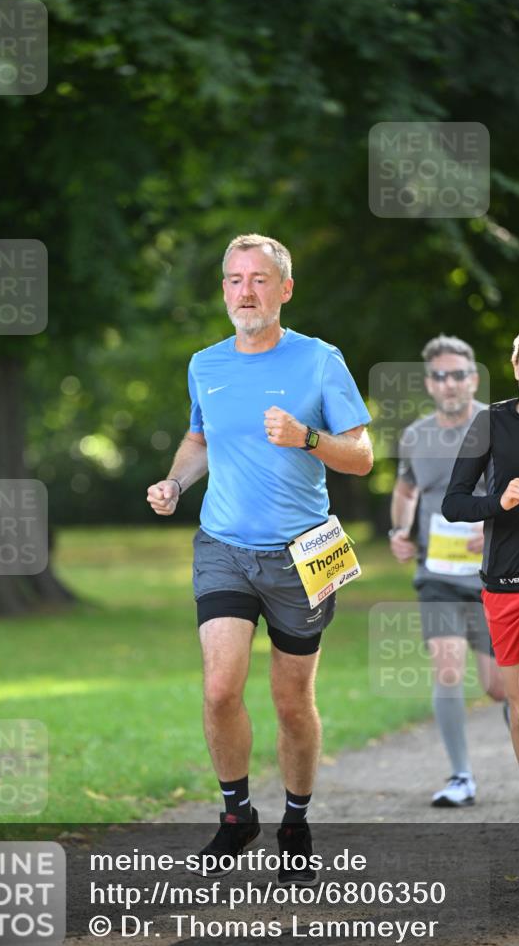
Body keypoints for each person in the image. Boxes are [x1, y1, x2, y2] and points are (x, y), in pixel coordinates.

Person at [146, 233, 372, 885]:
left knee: (292, 701)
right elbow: (199, 439)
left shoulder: (320, 360)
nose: (245, 292)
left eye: (259, 279)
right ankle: (236, 813)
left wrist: (306, 437)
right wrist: (175, 483)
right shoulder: (205, 364)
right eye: (235, 279)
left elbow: (361, 456)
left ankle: (295, 818)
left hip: (305, 554)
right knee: (220, 689)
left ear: (284, 289)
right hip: (223, 547)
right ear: (224, 289)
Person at [442, 313, 519, 862]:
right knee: (518, 706)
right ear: (515, 367)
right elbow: (454, 503)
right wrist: (499, 502)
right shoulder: (489, 423)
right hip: (502, 584)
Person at [389, 335, 506, 807]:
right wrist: (399, 531)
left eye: (458, 374)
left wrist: (493, 528)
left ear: (473, 379)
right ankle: (461, 777)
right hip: (436, 575)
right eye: (440, 376)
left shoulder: (499, 429)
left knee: (500, 687)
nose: (450, 383)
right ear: (429, 384)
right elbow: (406, 489)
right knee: (448, 667)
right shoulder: (416, 436)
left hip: (495, 575)